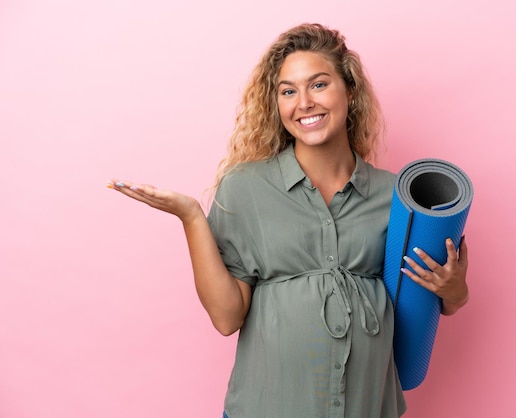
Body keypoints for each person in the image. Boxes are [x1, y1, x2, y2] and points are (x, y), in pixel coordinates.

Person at [109, 23, 469, 418]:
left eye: (318, 85)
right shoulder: (246, 189)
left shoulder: (396, 196)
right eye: (288, 91)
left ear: (349, 90)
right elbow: (227, 318)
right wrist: (191, 217)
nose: (303, 103)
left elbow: (427, 302)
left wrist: (454, 290)